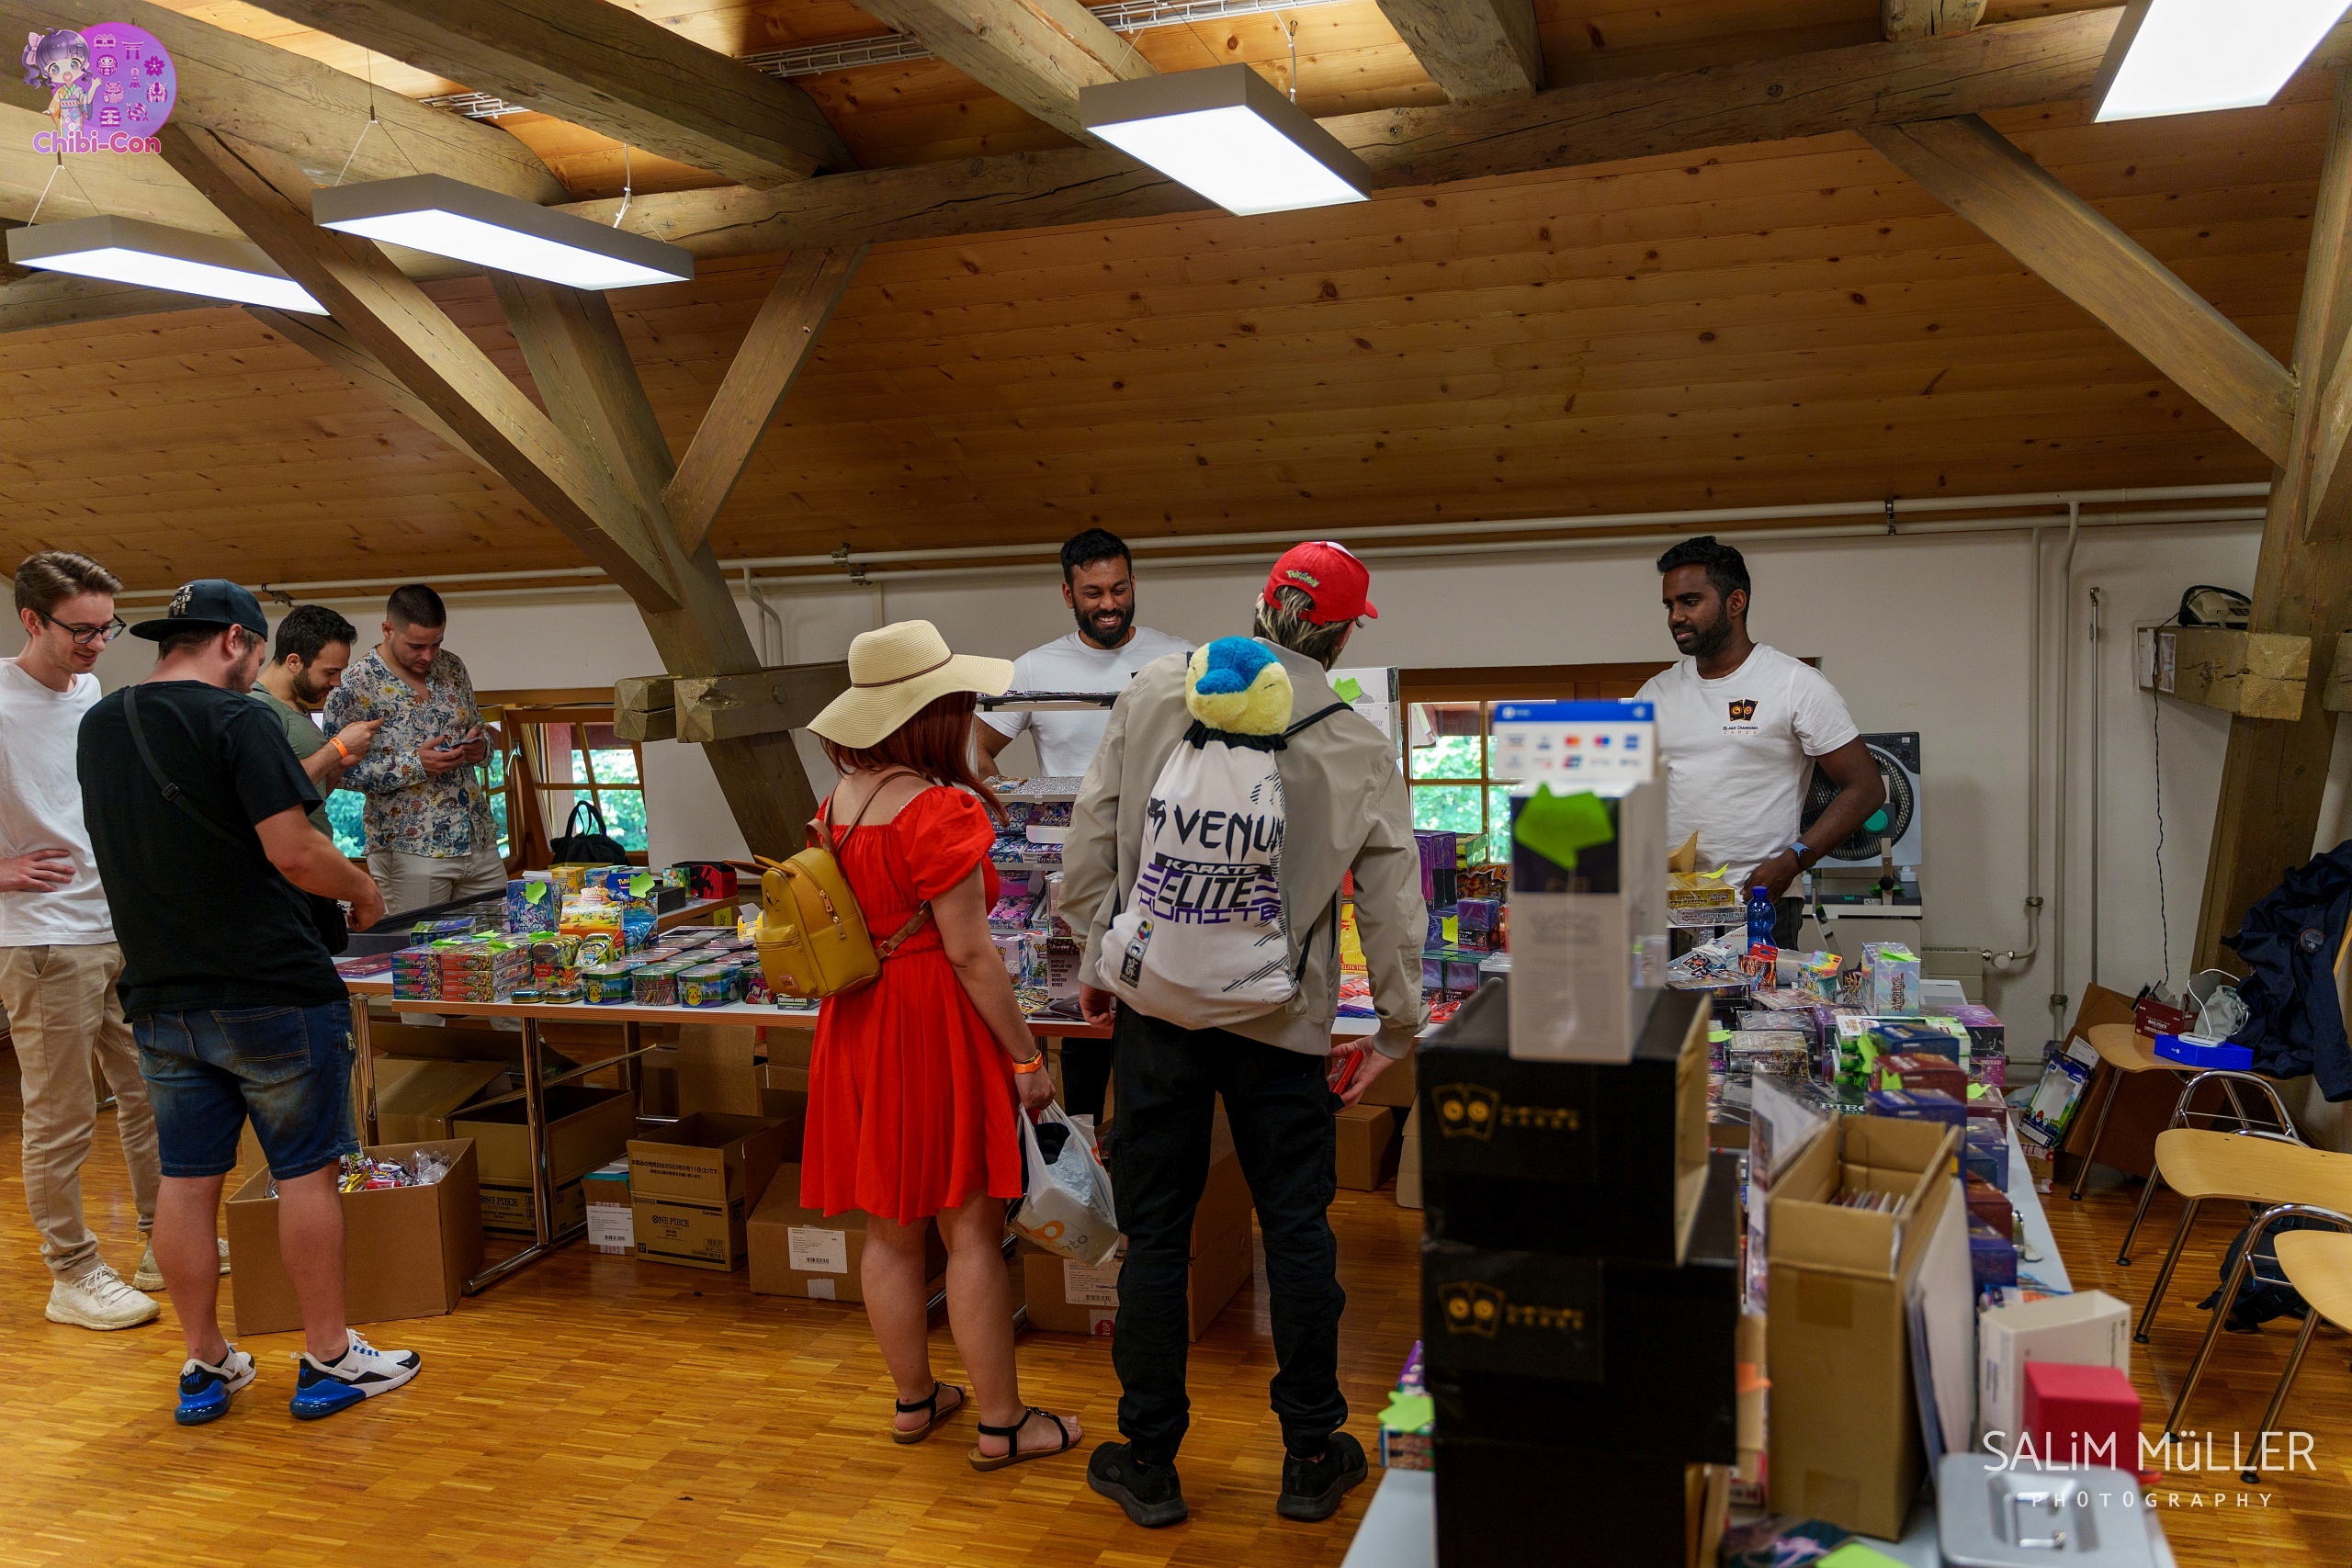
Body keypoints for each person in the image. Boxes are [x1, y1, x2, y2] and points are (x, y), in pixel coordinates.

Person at [1061, 541, 1427, 1530]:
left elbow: (1090, 844)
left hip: (1157, 1016)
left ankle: (1149, 1460)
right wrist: (1396, 1028)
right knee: (1297, 1232)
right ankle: (1309, 1455)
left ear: (1262, 606)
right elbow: (1393, 908)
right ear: (1342, 634)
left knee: (1156, 1236)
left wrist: (1097, 959)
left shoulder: (1152, 692)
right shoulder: (1354, 743)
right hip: (1282, 1022)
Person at [76, 580, 416, 1427]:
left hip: (159, 992)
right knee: (306, 1173)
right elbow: (293, 851)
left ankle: (205, 1363)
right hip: (271, 988)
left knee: (187, 1182)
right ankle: (329, 1357)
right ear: (235, 640)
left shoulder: (102, 722)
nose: (255, 668)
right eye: (258, 652)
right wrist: (363, 889)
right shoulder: (239, 720)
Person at [799, 620, 1083, 1472]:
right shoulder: (937, 807)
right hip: (932, 1021)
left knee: (889, 1231)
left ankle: (916, 1399)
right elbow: (971, 953)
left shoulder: (839, 801)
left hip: (859, 1018)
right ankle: (1003, 1422)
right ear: (933, 710)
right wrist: (1027, 1057)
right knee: (970, 1231)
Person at [0, 550, 175, 1332]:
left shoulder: (90, 692)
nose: (99, 644)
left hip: (115, 926)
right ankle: (71, 1272)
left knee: (152, 1093)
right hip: (44, 941)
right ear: (31, 619)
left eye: (109, 628)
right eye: (82, 630)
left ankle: (162, 1243)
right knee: (63, 1116)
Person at [972, 529, 1191, 1121]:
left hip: (1163, 865)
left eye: (1118, 589)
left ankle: (1148, 1144)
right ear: (1068, 595)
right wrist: (1013, 815)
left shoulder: (1181, 661)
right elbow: (979, 751)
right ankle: (1088, 1137)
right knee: (1081, 1011)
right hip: (1072, 871)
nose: (1108, 604)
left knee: (1158, 1013)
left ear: (1134, 584)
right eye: (1093, 593)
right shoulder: (1034, 668)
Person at [1636, 536, 1886, 947]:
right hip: (1673, 905)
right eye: (1669, 605)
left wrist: (1794, 860)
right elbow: (1630, 793)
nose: (1675, 617)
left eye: (1690, 601)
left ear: (1736, 602)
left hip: (1760, 899)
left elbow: (1866, 788)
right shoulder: (1655, 693)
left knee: (1759, 995)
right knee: (1672, 995)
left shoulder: (1794, 684)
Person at [322, 584, 503, 916]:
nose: (428, 656)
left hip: (478, 840)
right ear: (387, 630)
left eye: (437, 643)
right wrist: (415, 765)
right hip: (410, 850)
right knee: (417, 946)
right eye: (417, 646)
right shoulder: (353, 684)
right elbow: (335, 770)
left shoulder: (453, 667)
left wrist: (482, 749)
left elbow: (478, 728)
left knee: (501, 940)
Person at [254, 604, 382, 841]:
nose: (337, 682)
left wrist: (337, 766)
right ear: (294, 662)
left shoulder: (298, 708)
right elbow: (274, 787)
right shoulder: (257, 707)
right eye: (330, 672)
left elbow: (311, 796)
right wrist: (338, 747)